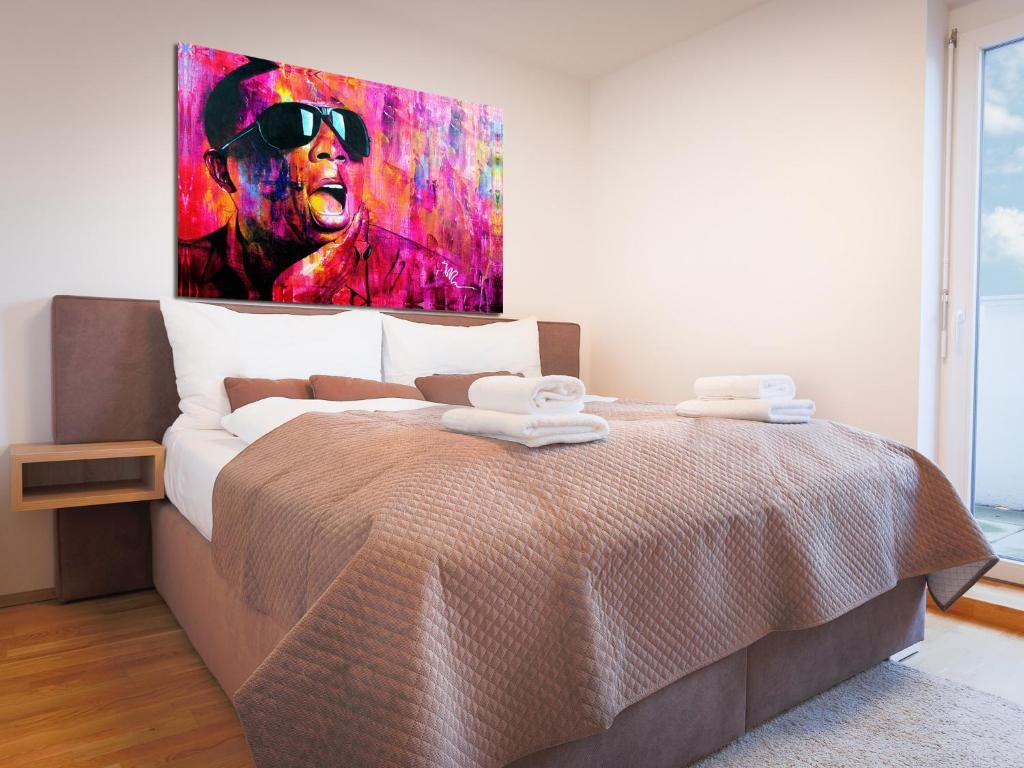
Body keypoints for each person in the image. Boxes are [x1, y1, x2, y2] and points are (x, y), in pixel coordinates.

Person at [178, 57, 499, 312]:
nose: (332, 148)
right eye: (291, 124)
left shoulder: (431, 282)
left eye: (348, 128)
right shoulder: (186, 269)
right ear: (221, 170)